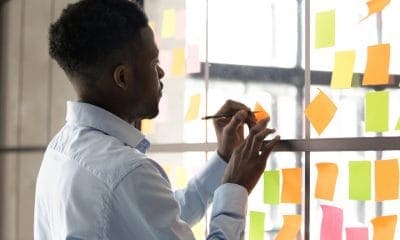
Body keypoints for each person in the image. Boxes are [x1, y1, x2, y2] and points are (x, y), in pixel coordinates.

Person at [34, 0, 280, 239]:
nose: (161, 73)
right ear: (122, 77)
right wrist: (235, 188)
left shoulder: (59, 150)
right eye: (154, 62)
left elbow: (156, 218)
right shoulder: (126, 172)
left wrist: (223, 160)